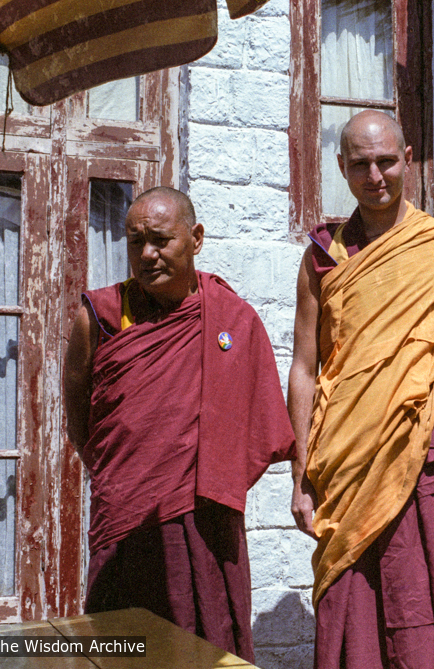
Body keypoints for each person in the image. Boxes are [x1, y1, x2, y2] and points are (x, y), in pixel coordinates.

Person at [288, 110, 434, 669]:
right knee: (358, 609)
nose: (376, 176)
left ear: (408, 160)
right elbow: (303, 367)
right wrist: (299, 476)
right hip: (346, 460)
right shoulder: (322, 258)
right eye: (361, 164)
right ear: (341, 168)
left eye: (387, 161)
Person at [63, 187, 295, 661]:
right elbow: (78, 410)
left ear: (196, 239)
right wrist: (120, 471)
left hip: (202, 517)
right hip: (125, 514)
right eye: (135, 242)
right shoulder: (103, 317)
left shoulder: (234, 320)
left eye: (161, 240)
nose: (146, 255)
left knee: (204, 642)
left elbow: (262, 424)